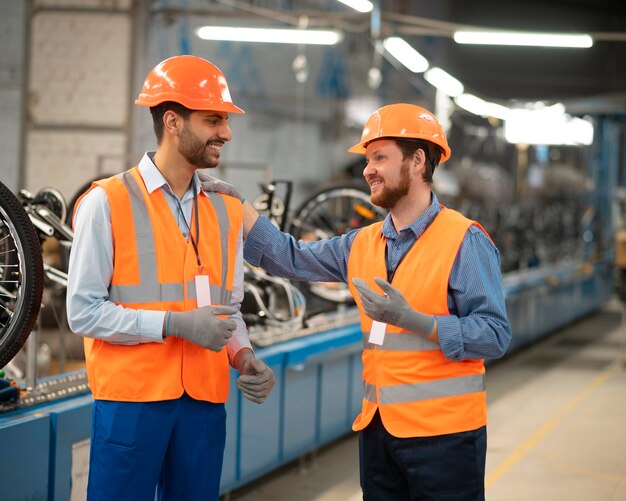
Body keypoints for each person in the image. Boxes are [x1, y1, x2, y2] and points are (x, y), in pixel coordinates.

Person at [203, 103, 511, 500]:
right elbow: (290, 257)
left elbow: (495, 335)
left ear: (418, 161)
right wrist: (238, 209)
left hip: (445, 438)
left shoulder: (464, 240)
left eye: (380, 157)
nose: (368, 169)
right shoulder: (362, 243)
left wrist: (417, 320)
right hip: (378, 431)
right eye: (367, 159)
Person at [66, 55, 275, 501]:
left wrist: (242, 354)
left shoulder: (226, 208)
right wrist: (172, 325)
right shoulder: (107, 202)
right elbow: (82, 313)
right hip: (132, 403)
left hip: (203, 404)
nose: (226, 132)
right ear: (173, 121)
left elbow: (229, 310)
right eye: (214, 119)